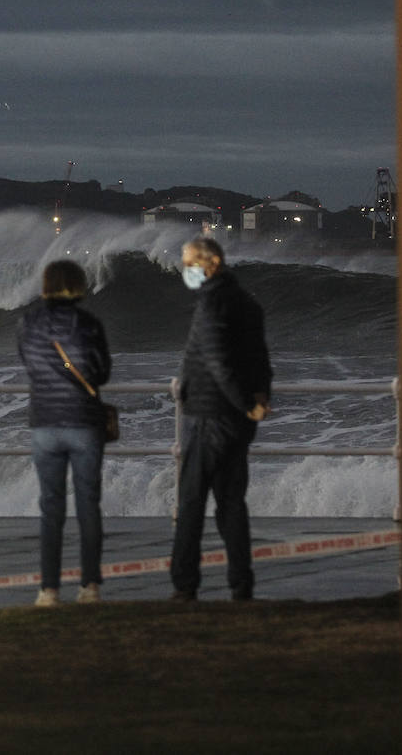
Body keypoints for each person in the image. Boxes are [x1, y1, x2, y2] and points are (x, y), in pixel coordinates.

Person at [169, 236, 272, 601]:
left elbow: (217, 362)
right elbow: (261, 359)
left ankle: (184, 585)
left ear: (208, 264)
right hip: (237, 420)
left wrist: (243, 402)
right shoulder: (247, 302)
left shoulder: (213, 303)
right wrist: (258, 401)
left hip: (209, 416)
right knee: (231, 503)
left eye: (189, 264)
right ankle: (241, 583)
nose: (185, 271)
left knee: (192, 503)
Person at [17, 259, 112, 606]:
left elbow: (29, 365)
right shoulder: (87, 324)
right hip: (83, 423)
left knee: (51, 508)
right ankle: (89, 587)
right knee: (88, 505)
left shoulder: (28, 323)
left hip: (44, 423)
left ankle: (48, 590)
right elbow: (101, 373)